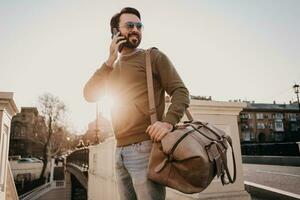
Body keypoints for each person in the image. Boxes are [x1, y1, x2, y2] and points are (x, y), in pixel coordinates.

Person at [83, 7, 189, 200]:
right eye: (129, 25)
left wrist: (167, 122)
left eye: (139, 26)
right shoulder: (110, 68)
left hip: (146, 149)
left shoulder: (153, 57)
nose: (136, 30)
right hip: (119, 151)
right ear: (116, 32)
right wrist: (109, 61)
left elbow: (180, 91)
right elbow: (89, 94)